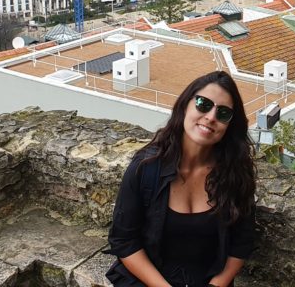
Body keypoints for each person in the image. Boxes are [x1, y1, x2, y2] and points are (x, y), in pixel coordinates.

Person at [107, 71, 257, 287]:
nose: (211, 117)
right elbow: (124, 241)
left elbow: (241, 243)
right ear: (185, 105)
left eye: (223, 113)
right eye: (203, 104)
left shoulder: (234, 174)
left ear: (229, 125)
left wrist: (217, 284)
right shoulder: (145, 168)